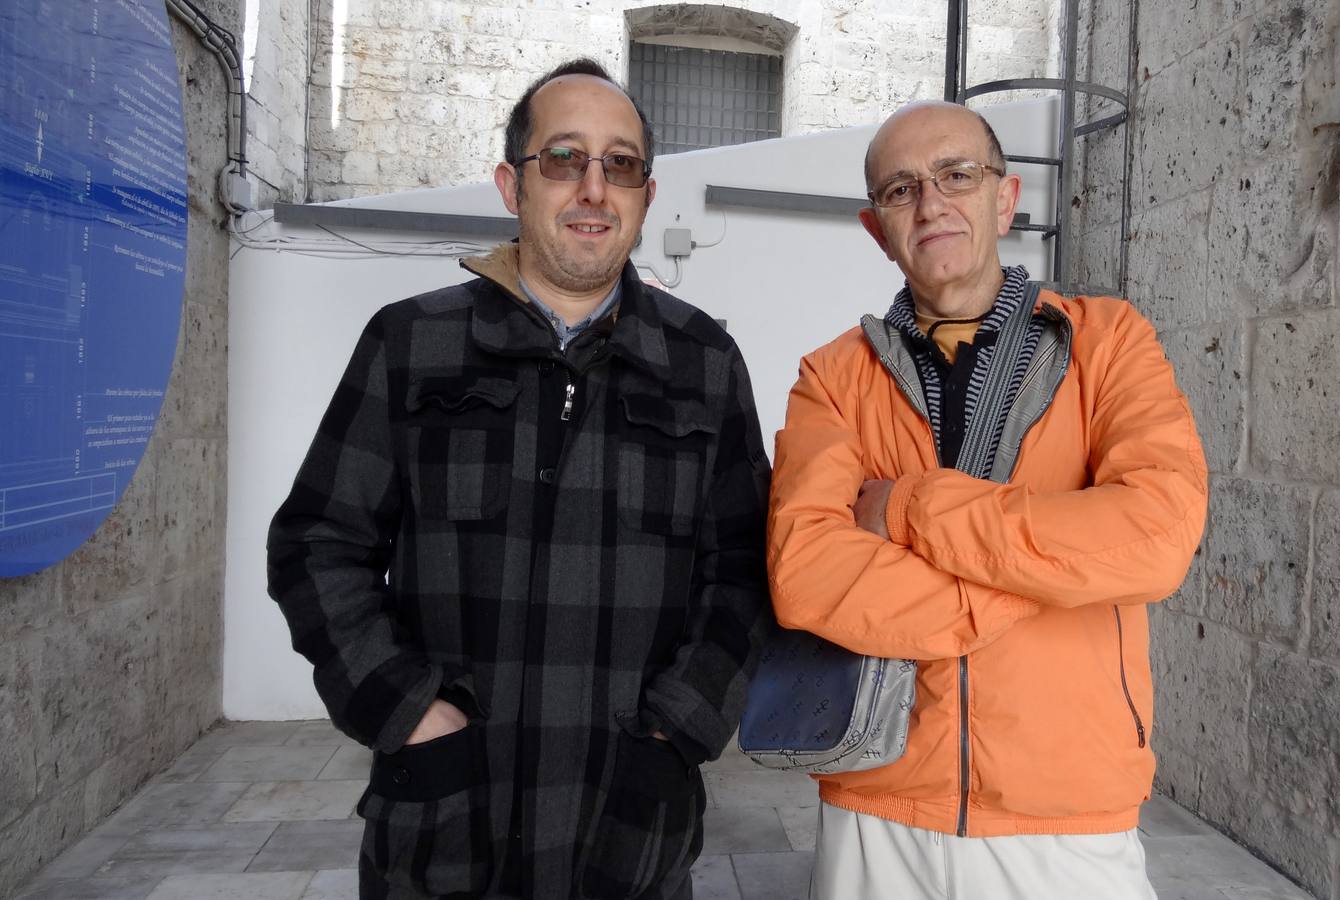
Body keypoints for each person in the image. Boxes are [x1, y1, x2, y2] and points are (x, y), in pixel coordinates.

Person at [267, 58, 771, 900]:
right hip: (446, 823)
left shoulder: (703, 364)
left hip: (627, 819)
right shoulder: (412, 344)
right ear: (512, 183)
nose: (592, 188)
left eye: (620, 165)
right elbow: (318, 544)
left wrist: (677, 728)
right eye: (564, 158)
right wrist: (405, 710)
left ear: (646, 194)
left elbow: (746, 571)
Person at [766, 100, 1208, 899]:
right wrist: (1037, 581)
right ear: (876, 228)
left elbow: (1156, 534)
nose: (930, 202)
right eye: (900, 190)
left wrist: (907, 509)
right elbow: (807, 573)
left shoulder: (1109, 343)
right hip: (879, 798)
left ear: (1003, 199)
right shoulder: (832, 378)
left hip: (1066, 810)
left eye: (955, 176)